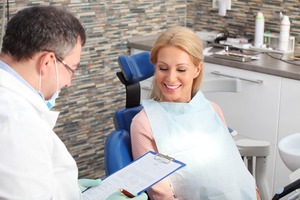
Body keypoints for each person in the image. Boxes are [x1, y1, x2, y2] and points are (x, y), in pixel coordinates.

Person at [0, 6, 147, 200]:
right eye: (71, 69)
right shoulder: (18, 122)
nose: (69, 82)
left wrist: (66, 188)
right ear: (47, 62)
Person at [131, 26, 261, 200]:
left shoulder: (212, 110)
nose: (170, 78)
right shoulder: (144, 124)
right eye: (163, 68)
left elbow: (237, 171)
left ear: (197, 70)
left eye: (181, 69)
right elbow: (163, 196)